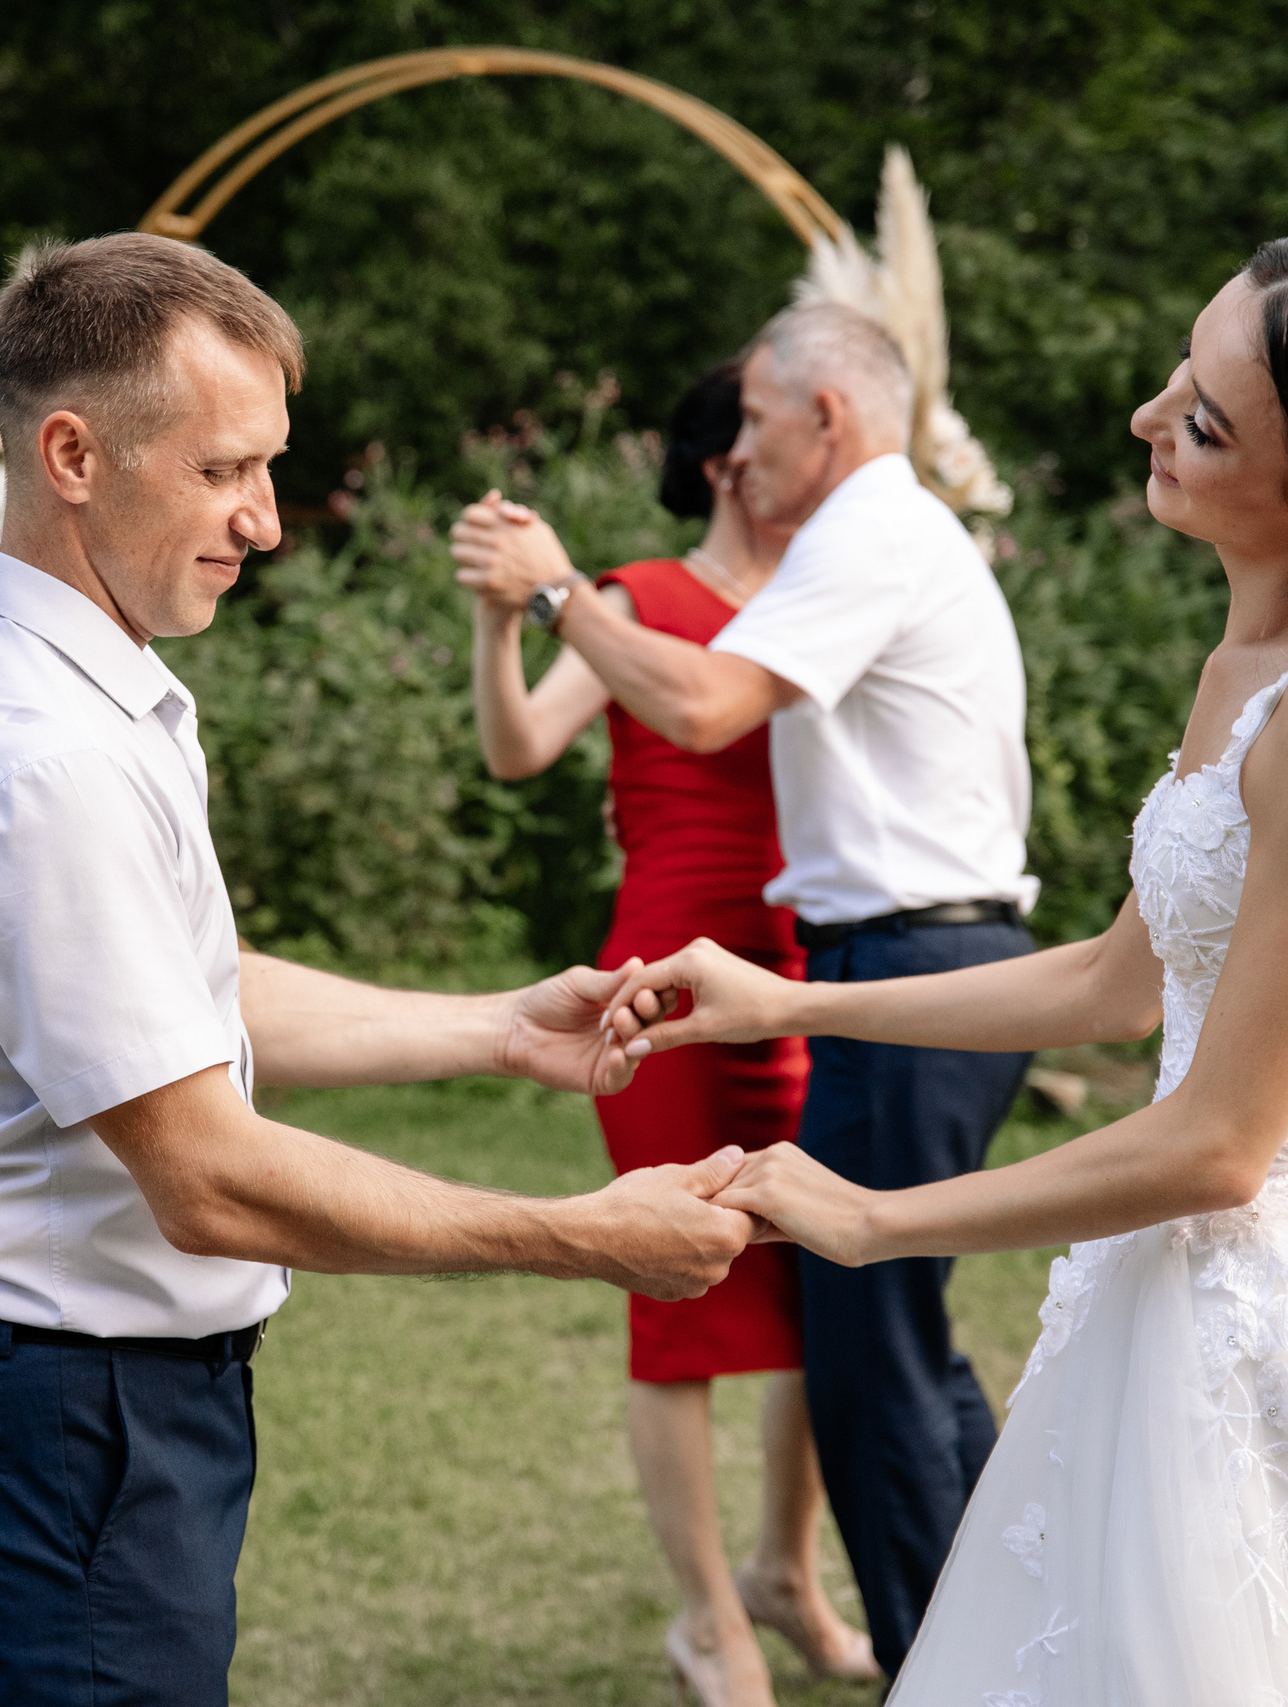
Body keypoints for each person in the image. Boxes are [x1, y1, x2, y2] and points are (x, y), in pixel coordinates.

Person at [606, 223, 1288, 1704]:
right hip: (1159, 1292)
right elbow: (1117, 979)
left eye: (1205, 420)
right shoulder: (1257, 665)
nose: (1148, 419)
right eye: (1181, 374)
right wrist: (786, 994)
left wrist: (868, 1216)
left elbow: (1229, 1143)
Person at [0, 232, 760, 1707]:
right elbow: (210, 1175)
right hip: (66, 1414)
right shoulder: (45, 760)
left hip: (96, 1404)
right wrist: (580, 1230)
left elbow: (187, 993)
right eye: (225, 470)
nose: (267, 521)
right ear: (74, 452)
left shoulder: (101, 691)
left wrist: (493, 1027)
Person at [451, 300, 1038, 1675]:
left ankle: (944, 1657)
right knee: (887, 1335)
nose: (739, 441)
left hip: (887, 961)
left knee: (870, 1352)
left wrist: (550, 589)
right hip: (793, 963)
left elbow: (708, 709)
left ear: (823, 417)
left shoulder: (862, 540)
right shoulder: (843, 548)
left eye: (759, 414)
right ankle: (971, 1633)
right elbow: (557, 735)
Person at [462, 361, 876, 1701]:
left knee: (820, 1270)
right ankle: (710, 1615)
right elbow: (523, 745)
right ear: (726, 463)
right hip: (668, 975)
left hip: (802, 963)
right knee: (677, 1284)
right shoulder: (641, 595)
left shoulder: (825, 600)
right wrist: (497, 621)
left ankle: (786, 1569)